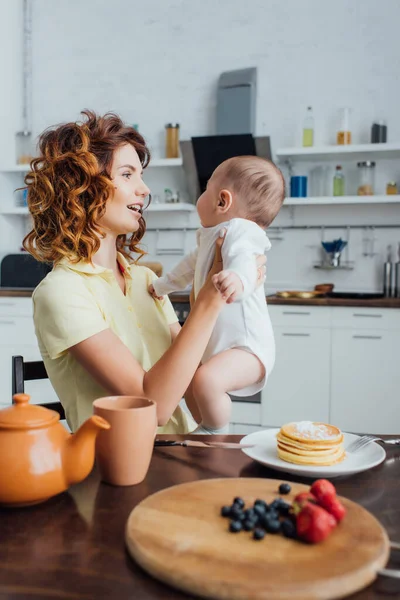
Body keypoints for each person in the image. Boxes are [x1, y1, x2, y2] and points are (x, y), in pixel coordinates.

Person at [23, 110, 266, 433]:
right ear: (81, 187)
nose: (144, 190)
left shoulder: (148, 283)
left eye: (140, 175)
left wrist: (226, 287)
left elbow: (195, 399)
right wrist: (209, 300)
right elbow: (152, 410)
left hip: (177, 452)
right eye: (127, 174)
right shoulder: (62, 292)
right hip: (111, 470)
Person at [150, 156, 285, 434]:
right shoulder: (211, 235)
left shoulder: (240, 230)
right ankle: (210, 429)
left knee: (207, 381)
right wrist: (164, 285)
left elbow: (246, 261)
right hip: (228, 347)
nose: (202, 196)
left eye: (205, 190)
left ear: (222, 201)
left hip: (247, 349)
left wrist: (237, 278)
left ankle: (215, 431)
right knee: (201, 380)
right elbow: (190, 265)